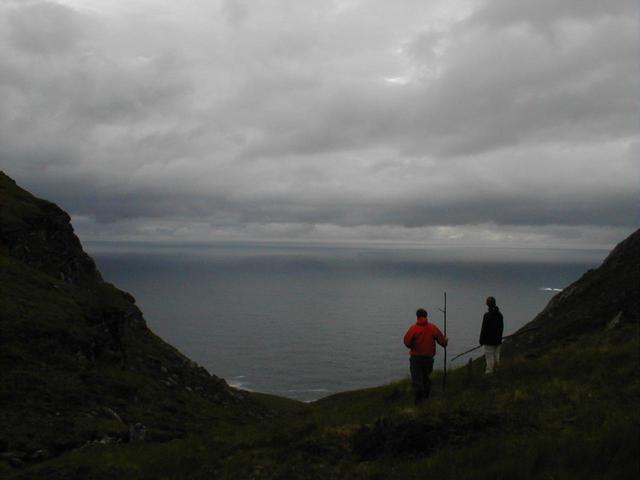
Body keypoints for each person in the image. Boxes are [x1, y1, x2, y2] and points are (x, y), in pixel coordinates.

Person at [403, 308, 448, 404]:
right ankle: (426, 398)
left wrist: (413, 346)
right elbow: (442, 342)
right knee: (426, 377)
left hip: (416, 358)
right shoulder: (432, 328)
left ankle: (418, 402)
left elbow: (406, 342)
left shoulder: (413, 328)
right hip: (428, 358)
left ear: (417, 316)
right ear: (426, 316)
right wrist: (445, 341)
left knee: (417, 379)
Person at [479, 296, 504, 374]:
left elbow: (484, 329)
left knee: (489, 356)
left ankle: (489, 371)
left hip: (489, 341)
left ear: (488, 304)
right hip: (498, 340)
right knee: (497, 355)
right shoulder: (500, 315)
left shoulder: (487, 316)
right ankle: (497, 370)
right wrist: (499, 337)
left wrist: (481, 340)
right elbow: (501, 327)